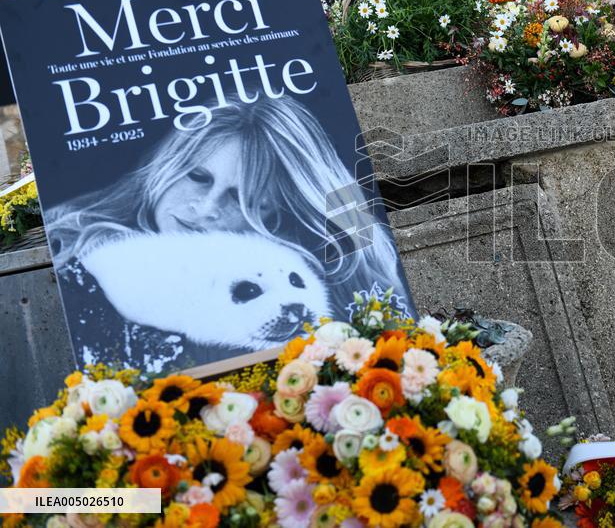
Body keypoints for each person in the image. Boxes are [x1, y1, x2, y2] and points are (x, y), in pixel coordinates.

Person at [46, 95, 412, 369]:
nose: (204, 209)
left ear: (278, 217)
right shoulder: (80, 257)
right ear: (166, 165)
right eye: (198, 176)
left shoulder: (302, 296)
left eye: (243, 200)